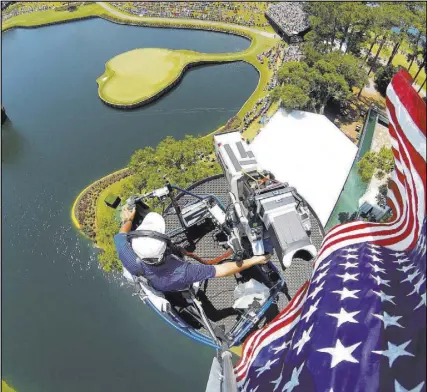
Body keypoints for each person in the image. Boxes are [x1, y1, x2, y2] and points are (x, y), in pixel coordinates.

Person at [114, 206, 270, 293]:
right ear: (166, 248)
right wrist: (255, 259)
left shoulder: (126, 253)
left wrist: (128, 219)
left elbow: (121, 234)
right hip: (178, 285)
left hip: (156, 281)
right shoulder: (182, 272)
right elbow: (222, 270)